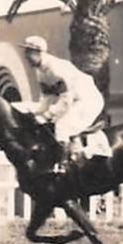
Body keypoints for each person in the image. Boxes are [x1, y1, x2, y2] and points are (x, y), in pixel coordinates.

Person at [21, 35, 105, 174]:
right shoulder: (40, 72)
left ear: (39, 52)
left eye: (28, 52)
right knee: (47, 124)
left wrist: (48, 115)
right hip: (74, 100)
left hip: (87, 100)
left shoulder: (56, 68)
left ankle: (63, 167)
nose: (26, 56)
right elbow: (47, 99)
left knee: (62, 126)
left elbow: (66, 100)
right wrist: (36, 113)